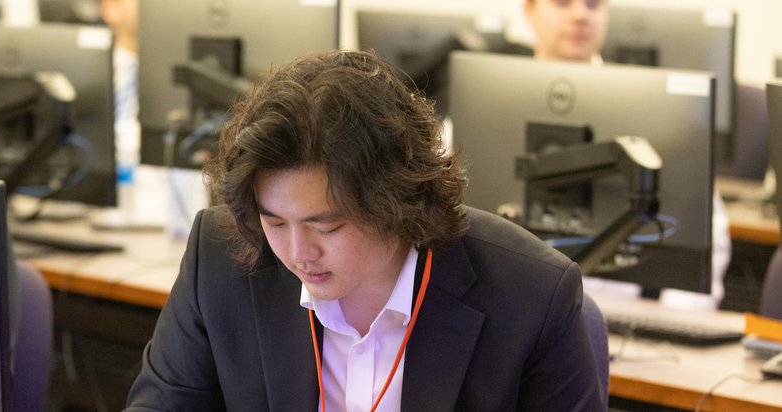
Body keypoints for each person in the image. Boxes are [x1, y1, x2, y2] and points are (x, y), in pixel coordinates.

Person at [125, 49, 604, 410]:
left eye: (327, 226)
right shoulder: (219, 255)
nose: (297, 253)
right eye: (274, 221)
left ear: (396, 202)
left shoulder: (532, 295)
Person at [524, 0, 732, 310]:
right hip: (518, 315)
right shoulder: (478, 104)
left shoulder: (657, 108)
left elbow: (707, 237)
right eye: (563, 3)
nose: (580, 15)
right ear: (529, 9)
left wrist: (669, 324)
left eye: (593, 4)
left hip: (625, 317)